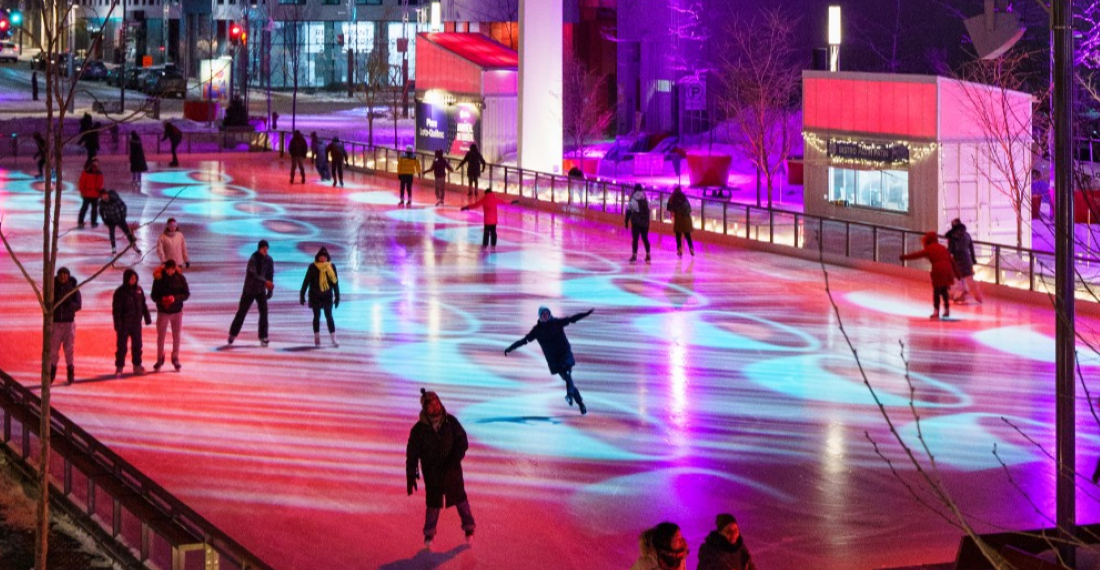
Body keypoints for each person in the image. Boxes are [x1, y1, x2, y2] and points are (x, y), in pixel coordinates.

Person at [406, 388, 476, 549]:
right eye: (431, 405)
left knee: (460, 500)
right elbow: (412, 454)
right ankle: (429, 533)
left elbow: (462, 441)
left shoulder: (450, 422)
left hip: (452, 471)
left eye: (437, 403)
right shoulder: (419, 431)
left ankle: (469, 527)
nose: (436, 407)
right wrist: (411, 474)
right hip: (432, 473)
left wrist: (454, 459)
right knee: (433, 503)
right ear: (425, 408)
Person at [504, 307, 595, 415]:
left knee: (567, 374)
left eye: (547, 314)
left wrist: (586, 314)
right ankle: (580, 403)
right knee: (567, 379)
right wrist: (510, 348)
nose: (546, 316)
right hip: (554, 360)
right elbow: (524, 341)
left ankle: (570, 396)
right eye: (543, 314)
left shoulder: (557, 322)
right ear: (540, 316)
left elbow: (572, 319)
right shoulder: (537, 330)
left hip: (564, 354)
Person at [900, 231, 958, 320]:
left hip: (938, 269)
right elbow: (953, 262)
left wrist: (904, 257)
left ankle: (936, 311)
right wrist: (958, 275)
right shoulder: (943, 248)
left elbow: (917, 255)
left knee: (937, 291)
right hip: (948, 269)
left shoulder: (930, 248)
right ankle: (947, 309)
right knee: (944, 290)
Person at [228, 240, 275, 346]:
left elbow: (270, 275)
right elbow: (252, 274)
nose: (265, 250)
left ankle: (263, 336)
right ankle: (233, 334)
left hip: (260, 291)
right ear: (259, 249)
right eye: (263, 248)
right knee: (242, 312)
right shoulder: (253, 259)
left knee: (264, 313)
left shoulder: (269, 260)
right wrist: (265, 282)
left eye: (266, 248)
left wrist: (270, 290)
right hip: (249, 290)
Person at [150, 260, 190, 372]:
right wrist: (162, 300)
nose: (170, 272)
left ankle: (175, 357)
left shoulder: (180, 279)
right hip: (163, 312)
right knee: (160, 337)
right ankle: (159, 358)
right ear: (165, 269)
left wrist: (175, 298)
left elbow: (186, 294)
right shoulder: (159, 279)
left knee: (176, 336)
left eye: (172, 269)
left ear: (174, 268)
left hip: (177, 311)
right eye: (168, 269)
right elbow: (153, 295)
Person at [112, 268, 152, 377]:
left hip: (136, 324)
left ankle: (137, 366)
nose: (133, 280)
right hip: (124, 324)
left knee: (137, 345)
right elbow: (116, 310)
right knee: (122, 347)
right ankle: (119, 367)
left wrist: (147, 317)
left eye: (135, 278)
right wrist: (118, 324)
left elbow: (143, 305)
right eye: (131, 278)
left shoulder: (139, 290)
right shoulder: (120, 292)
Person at [300, 247, 340, 347]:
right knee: (316, 317)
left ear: (327, 258)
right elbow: (306, 281)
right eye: (321, 257)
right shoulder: (312, 267)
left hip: (327, 296)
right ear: (318, 257)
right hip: (315, 296)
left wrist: (337, 296)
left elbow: (335, 282)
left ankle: (333, 338)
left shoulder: (331, 267)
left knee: (329, 316)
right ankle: (317, 338)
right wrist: (302, 294)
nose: (323, 259)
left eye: (325, 257)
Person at [50, 266, 82, 385]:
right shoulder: (53, 288)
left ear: (68, 276)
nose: (63, 277)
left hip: (69, 322)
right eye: (61, 274)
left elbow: (78, 305)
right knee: (54, 348)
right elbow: (47, 302)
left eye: (65, 274)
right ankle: (52, 371)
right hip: (56, 322)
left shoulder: (73, 288)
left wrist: (69, 305)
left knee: (69, 348)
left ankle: (70, 370)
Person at [945, 218, 984, 304]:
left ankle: (958, 295)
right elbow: (971, 248)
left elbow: (950, 250)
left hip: (957, 260)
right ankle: (977, 296)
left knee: (957, 279)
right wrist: (973, 260)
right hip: (967, 259)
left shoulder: (953, 237)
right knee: (968, 279)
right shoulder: (967, 235)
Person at [98, 188, 140, 255]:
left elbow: (124, 206)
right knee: (112, 234)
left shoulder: (115, 199)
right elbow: (101, 212)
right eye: (103, 196)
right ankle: (113, 248)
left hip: (120, 219)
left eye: (105, 195)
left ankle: (134, 246)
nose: (105, 197)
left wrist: (123, 216)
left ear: (107, 194)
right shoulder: (102, 203)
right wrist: (104, 219)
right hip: (111, 220)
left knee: (127, 232)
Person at [625, 184, 652, 264]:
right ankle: (648, 254)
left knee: (635, 239)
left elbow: (628, 211)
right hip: (644, 222)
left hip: (636, 222)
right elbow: (648, 211)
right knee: (645, 238)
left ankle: (634, 255)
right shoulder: (645, 199)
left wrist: (626, 221)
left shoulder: (633, 198)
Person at [667, 186, 695, 257]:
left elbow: (669, 207)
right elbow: (689, 208)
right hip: (687, 219)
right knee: (687, 235)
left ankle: (679, 249)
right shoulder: (684, 197)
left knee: (678, 235)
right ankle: (691, 247)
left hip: (679, 218)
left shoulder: (674, 198)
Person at [77, 158, 104, 228]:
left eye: (97, 163)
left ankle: (92, 222)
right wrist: (82, 191)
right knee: (85, 208)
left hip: (94, 194)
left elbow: (100, 184)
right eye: (95, 162)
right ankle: (82, 222)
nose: (96, 164)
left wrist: (100, 191)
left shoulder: (99, 173)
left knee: (93, 209)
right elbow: (82, 182)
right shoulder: (86, 172)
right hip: (88, 194)